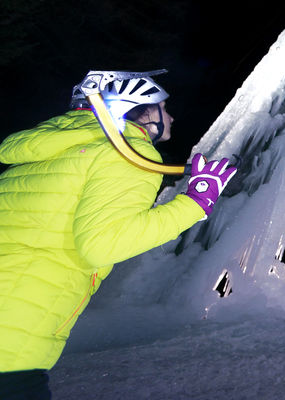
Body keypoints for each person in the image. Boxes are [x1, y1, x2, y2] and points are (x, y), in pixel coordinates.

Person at [0, 70, 237, 399]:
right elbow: (102, 244)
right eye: (162, 106)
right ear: (139, 109)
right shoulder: (127, 153)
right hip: (12, 337)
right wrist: (195, 204)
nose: (170, 115)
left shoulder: (45, 152)